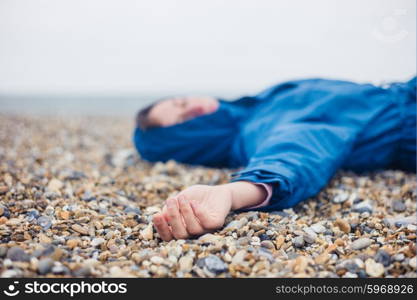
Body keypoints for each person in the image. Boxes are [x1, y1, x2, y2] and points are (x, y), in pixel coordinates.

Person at [134, 77, 416, 241]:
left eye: (182, 101)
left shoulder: (255, 107)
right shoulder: (253, 131)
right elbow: (295, 148)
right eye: (186, 120)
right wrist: (232, 193)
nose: (194, 106)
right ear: (189, 142)